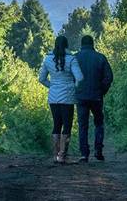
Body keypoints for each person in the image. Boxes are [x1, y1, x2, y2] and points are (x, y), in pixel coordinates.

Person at [38, 35, 83, 163]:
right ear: (67, 45)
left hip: (53, 96)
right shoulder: (71, 59)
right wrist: (74, 87)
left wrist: (51, 85)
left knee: (56, 124)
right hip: (68, 96)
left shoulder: (47, 59)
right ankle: (63, 155)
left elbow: (41, 79)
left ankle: (55, 154)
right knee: (67, 125)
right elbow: (79, 77)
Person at [75, 35, 113, 162]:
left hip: (80, 96)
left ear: (81, 44)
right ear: (93, 44)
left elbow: (70, 77)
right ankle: (98, 149)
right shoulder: (100, 57)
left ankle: (84, 154)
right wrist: (102, 90)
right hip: (96, 96)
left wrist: (75, 90)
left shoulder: (75, 58)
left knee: (83, 125)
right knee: (99, 123)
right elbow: (109, 77)